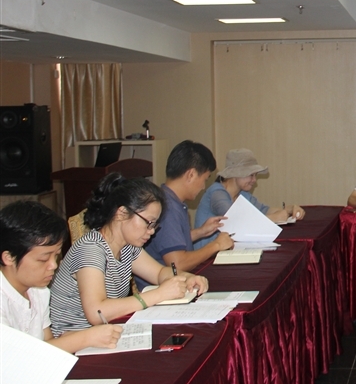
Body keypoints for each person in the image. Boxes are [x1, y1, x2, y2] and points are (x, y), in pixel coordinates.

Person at [50, 174, 209, 334]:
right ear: (122, 213)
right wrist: (159, 294)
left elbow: (159, 272)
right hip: (73, 340)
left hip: (103, 333)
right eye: (148, 223)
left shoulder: (127, 246)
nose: (151, 231)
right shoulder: (90, 249)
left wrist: (187, 278)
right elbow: (97, 312)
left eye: (154, 225)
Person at [1, 201, 123, 352]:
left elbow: (48, 342)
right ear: (9, 258)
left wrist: (74, 338)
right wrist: (86, 338)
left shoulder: (39, 292)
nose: (53, 265)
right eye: (43, 259)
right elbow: (15, 357)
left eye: (56, 256)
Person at [136, 140, 233, 290]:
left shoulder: (168, 198)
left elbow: (167, 242)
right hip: (159, 289)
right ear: (191, 174)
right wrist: (216, 245)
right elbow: (177, 264)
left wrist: (200, 232)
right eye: (204, 180)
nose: (203, 187)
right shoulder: (167, 208)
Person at [194, 148, 305, 249]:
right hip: (206, 258)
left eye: (255, 175)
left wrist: (289, 209)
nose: (254, 180)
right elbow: (237, 223)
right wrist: (273, 219)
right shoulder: (217, 193)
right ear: (236, 174)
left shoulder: (243, 194)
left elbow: (264, 210)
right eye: (251, 175)